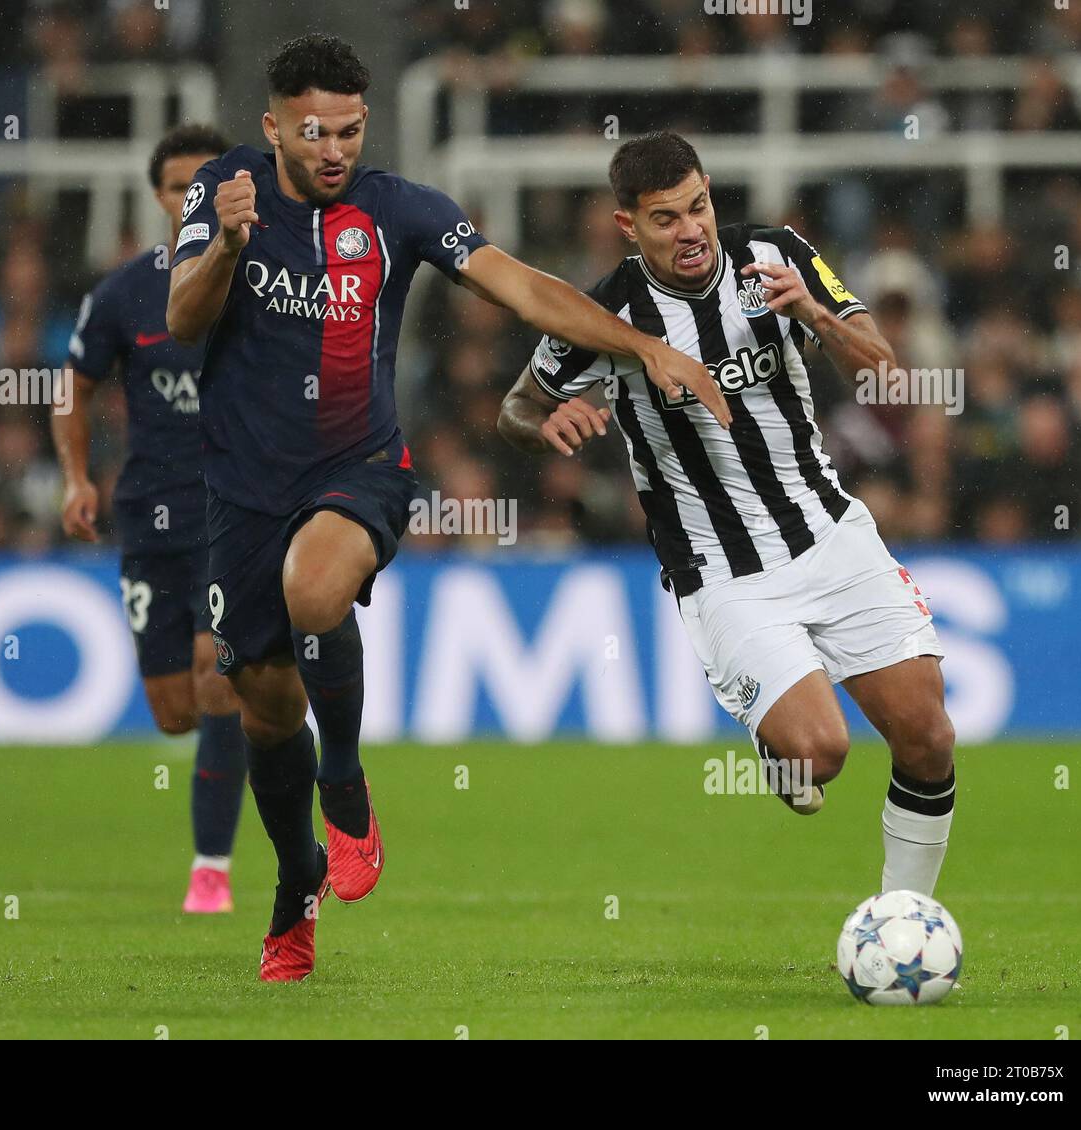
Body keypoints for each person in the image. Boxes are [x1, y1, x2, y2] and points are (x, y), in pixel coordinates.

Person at [167, 37, 729, 981]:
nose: (335, 147)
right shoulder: (226, 191)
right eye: (314, 132)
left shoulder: (399, 210)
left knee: (316, 590)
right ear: (273, 129)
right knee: (264, 709)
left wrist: (643, 347)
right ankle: (295, 876)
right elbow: (184, 320)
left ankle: (344, 780)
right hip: (241, 490)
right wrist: (226, 243)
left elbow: (523, 287)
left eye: (350, 128)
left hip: (360, 467)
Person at [498, 131, 957, 901]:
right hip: (722, 567)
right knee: (818, 754)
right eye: (667, 218)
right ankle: (779, 746)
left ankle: (904, 917)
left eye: (700, 206)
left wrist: (815, 312)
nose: (692, 230)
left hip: (829, 529)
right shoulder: (607, 311)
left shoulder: (776, 255)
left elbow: (886, 374)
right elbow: (517, 403)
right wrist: (545, 422)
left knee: (929, 738)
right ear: (628, 227)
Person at [52, 124, 250, 915]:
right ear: (161, 196)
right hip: (147, 515)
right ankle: (267, 714)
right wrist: (74, 478)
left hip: (232, 508)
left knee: (216, 678)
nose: (190, 194)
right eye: (177, 184)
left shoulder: (258, 278)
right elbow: (76, 386)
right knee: (174, 710)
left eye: (205, 179)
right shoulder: (125, 293)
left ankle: (212, 870)